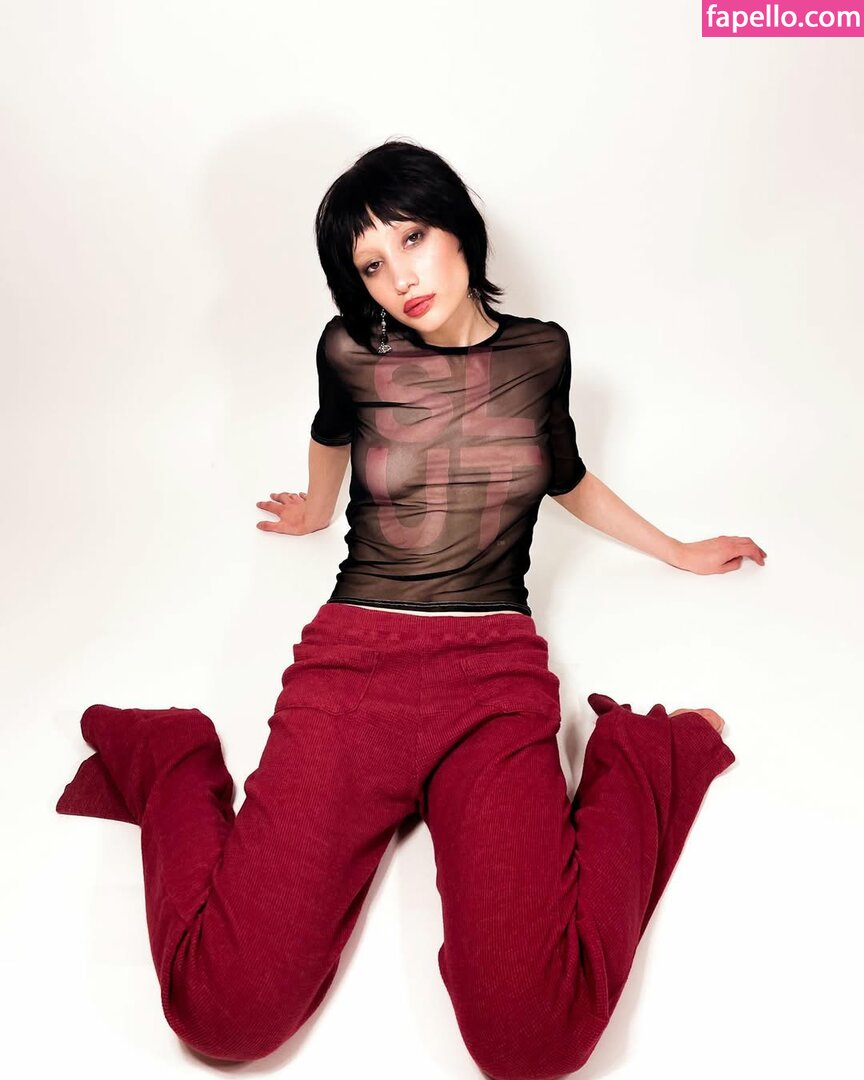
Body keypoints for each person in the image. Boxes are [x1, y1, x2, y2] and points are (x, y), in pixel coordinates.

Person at [56, 138, 766, 1079]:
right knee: (220, 1018)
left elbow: (565, 475)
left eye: (414, 238)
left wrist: (677, 550)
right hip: (354, 665)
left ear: (460, 229)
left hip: (493, 673)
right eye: (370, 265)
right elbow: (330, 432)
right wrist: (316, 511)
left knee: (535, 1043)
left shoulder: (541, 352)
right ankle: (172, 755)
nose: (399, 278)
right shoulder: (351, 351)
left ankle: (640, 759)